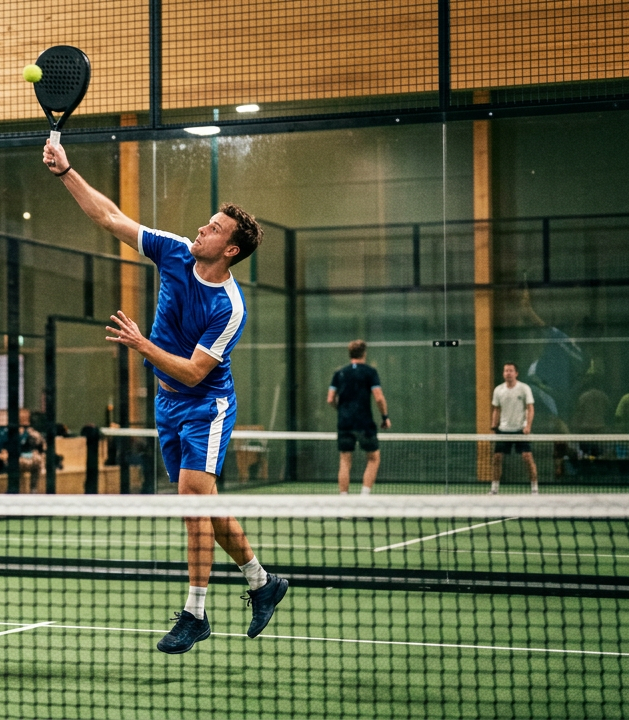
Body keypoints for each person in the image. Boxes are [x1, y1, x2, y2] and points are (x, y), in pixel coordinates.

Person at [45, 137, 285, 655]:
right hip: (167, 403)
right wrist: (67, 171)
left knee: (191, 504)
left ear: (231, 250)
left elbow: (198, 373)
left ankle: (195, 613)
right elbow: (110, 218)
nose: (203, 229)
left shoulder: (230, 308)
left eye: (214, 229)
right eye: (207, 223)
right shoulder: (174, 250)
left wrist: (140, 343)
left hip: (205, 405)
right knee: (206, 505)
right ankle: (263, 582)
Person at [327, 339, 391, 495]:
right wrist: (385, 417)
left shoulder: (339, 373)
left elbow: (330, 399)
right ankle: (363, 499)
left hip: (344, 423)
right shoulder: (370, 372)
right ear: (364, 354)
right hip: (364, 423)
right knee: (373, 458)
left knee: (344, 460)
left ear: (350, 354)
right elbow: (379, 397)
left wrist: (341, 410)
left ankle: (344, 503)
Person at [490, 362, 539, 494]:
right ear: (503, 373)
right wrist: (494, 427)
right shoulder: (498, 390)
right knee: (497, 458)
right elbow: (496, 409)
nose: (508, 373)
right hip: (503, 430)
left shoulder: (524, 388)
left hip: (520, 430)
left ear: (516, 373)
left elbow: (530, 408)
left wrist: (528, 426)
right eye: (506, 371)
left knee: (527, 457)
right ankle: (494, 489)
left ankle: (534, 489)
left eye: (511, 371)